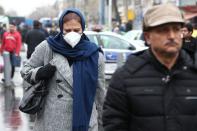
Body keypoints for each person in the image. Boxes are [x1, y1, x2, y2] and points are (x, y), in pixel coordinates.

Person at [102, 4, 197, 131]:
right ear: (147, 37)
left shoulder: (193, 72)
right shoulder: (125, 77)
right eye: (163, 30)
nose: (172, 36)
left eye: (176, 29)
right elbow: (114, 124)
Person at [21, 8, 105, 131]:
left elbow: (100, 92)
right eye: (67, 30)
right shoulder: (48, 47)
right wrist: (39, 72)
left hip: (86, 120)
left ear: (83, 29)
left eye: (76, 30)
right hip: (51, 120)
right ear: (61, 29)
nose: (72, 33)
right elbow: (25, 70)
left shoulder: (95, 55)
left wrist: (103, 122)